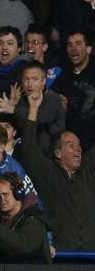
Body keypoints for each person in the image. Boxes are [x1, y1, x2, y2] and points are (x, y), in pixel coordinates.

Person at [22, 91, 95, 250]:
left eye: (79, 145)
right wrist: (33, 109)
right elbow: (28, 148)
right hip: (61, 255)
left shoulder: (88, 171)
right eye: (71, 145)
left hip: (91, 255)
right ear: (58, 153)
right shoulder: (47, 173)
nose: (78, 149)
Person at [0, 173, 52, 263]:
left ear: (18, 193)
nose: (1, 200)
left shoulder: (33, 217)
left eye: (5, 194)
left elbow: (25, 245)